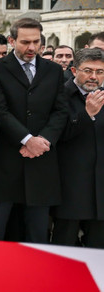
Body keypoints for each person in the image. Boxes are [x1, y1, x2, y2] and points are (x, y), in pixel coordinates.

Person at [0, 18, 68, 243]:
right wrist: (26, 139)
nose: (32, 47)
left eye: (36, 41)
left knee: (37, 235)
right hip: (6, 163)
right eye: (25, 42)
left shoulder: (53, 70)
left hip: (41, 162)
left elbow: (60, 111)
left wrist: (43, 140)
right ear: (12, 41)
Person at [51, 48, 104, 248]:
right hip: (70, 188)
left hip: (100, 190)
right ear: (74, 71)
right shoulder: (59, 95)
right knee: (64, 247)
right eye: (88, 71)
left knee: (98, 252)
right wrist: (87, 114)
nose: (93, 77)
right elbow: (58, 135)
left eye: (100, 72)